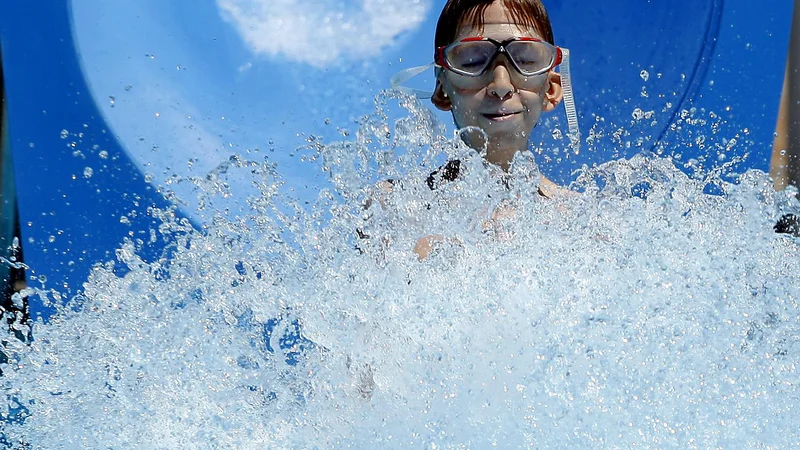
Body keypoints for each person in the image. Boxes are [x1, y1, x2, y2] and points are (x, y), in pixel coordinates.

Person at [390, 0, 578, 258]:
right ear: (443, 90)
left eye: (525, 59)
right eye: (471, 60)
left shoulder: (581, 219)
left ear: (552, 90)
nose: (501, 85)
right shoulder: (397, 207)